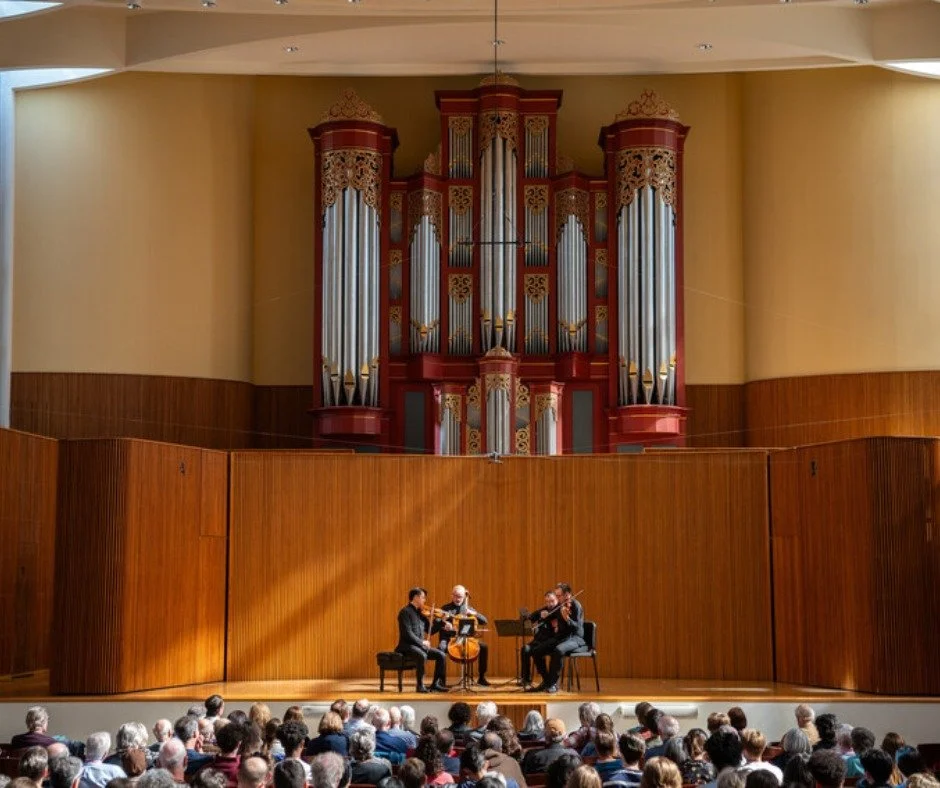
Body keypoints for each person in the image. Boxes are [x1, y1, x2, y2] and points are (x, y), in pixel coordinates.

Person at [526, 584, 585, 694]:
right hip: (562, 637)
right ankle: (547, 681)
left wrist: (567, 619)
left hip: (574, 638)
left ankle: (553, 684)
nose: (557, 598)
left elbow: (577, 627)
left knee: (558, 650)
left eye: (558, 596)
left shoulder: (576, 605)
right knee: (536, 650)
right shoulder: (561, 605)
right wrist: (544, 616)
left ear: (567, 594)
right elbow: (550, 617)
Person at [434, 585, 491, 687]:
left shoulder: (468, 608)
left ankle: (482, 677)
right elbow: (436, 623)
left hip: (466, 638)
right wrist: (443, 622)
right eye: (455, 596)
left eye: (460, 596)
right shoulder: (446, 609)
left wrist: (473, 613)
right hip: (449, 639)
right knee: (440, 649)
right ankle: (440, 681)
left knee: (484, 647)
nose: (457, 599)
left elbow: (484, 621)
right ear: (452, 595)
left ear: (464, 596)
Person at [396, 587, 447, 692]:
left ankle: (436, 684)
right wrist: (422, 642)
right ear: (415, 597)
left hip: (419, 646)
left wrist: (442, 621)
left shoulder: (421, 613)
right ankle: (420, 686)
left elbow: (431, 631)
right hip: (407, 646)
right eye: (423, 597)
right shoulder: (404, 612)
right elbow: (407, 633)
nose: (424, 600)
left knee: (441, 655)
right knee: (422, 655)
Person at [521, 590, 558, 688]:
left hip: (551, 641)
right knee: (525, 649)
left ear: (557, 599)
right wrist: (526, 617)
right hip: (539, 640)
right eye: (547, 602)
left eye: (552, 601)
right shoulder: (543, 610)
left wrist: (548, 618)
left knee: (537, 651)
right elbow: (529, 620)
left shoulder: (559, 611)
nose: (550, 604)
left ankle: (547, 680)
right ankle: (526, 679)